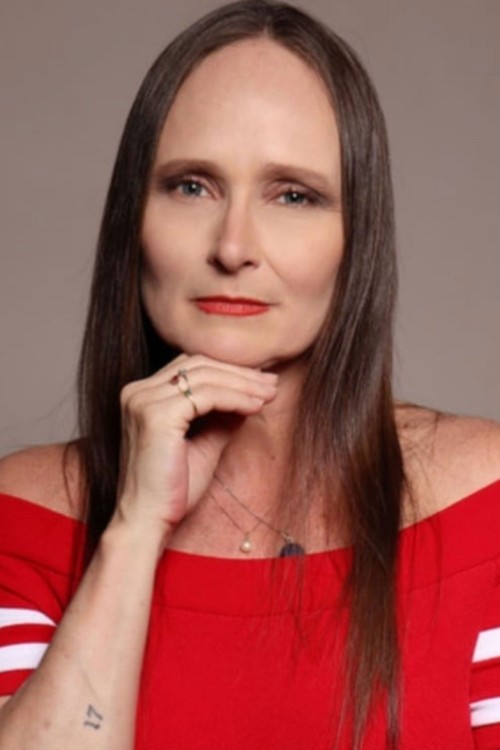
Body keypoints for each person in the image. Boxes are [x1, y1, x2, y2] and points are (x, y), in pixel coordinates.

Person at [0, 0, 498, 748]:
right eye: (191, 186)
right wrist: (134, 530)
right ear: (133, 218)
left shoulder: (483, 507)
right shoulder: (21, 519)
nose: (233, 247)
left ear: (355, 238)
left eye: (293, 195)